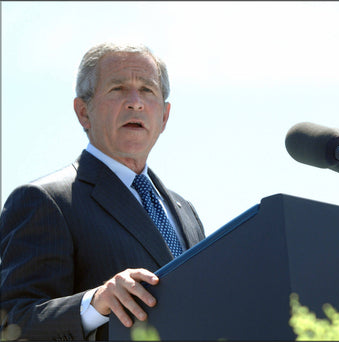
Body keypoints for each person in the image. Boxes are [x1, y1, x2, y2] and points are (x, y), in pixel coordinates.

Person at [0, 43, 206, 340]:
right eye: (118, 88)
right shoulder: (45, 202)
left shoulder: (185, 211)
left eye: (147, 90)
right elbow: (12, 326)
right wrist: (94, 304)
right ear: (83, 112)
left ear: (164, 116)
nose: (135, 102)